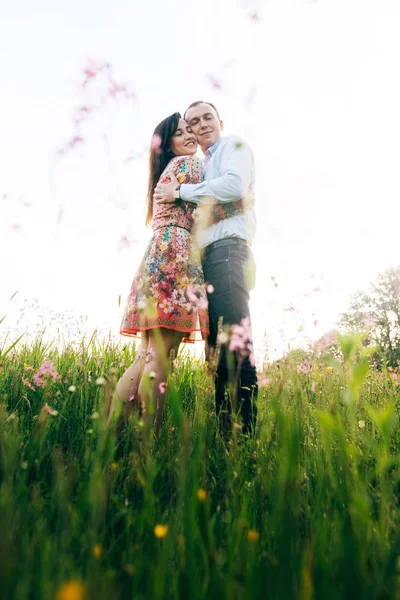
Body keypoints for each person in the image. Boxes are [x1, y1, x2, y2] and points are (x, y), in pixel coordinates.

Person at [154, 101, 258, 436]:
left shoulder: (232, 146)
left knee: (234, 345)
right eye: (193, 122)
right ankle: (226, 434)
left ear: (220, 121)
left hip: (229, 253)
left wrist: (182, 192)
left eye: (207, 118)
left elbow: (233, 187)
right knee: (216, 352)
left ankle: (243, 439)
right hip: (209, 261)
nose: (200, 125)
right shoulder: (202, 165)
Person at [108, 112, 209, 438]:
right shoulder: (190, 166)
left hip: (155, 260)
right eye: (181, 134)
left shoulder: (166, 171)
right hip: (176, 261)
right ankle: (144, 446)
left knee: (146, 358)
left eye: (189, 130)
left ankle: (111, 439)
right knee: (161, 361)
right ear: (169, 144)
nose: (190, 136)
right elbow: (207, 208)